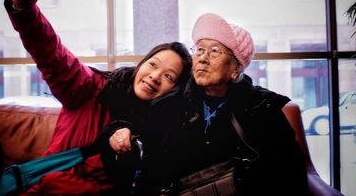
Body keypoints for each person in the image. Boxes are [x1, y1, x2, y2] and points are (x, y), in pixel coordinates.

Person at [4, 0, 192, 195]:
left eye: (168, 76)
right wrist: (22, 6)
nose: (155, 76)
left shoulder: (160, 129)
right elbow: (51, 53)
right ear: (142, 64)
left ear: (176, 89)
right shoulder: (91, 88)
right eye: (153, 64)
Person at [116, 13, 310, 195]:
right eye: (200, 50)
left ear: (236, 68)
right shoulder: (170, 103)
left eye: (214, 51)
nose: (202, 59)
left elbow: (291, 175)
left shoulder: (263, 108)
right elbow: (149, 170)